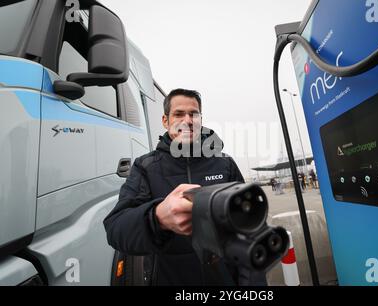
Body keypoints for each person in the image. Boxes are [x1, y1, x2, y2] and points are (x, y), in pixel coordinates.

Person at [103, 88, 266, 286]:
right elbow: (116, 230)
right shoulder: (145, 167)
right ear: (165, 121)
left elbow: (250, 229)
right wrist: (157, 217)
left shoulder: (225, 164)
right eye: (179, 114)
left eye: (194, 114)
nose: (188, 120)